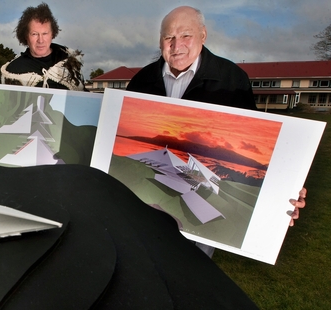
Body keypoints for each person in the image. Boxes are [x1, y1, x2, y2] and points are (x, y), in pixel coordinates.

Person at [127, 6, 306, 256]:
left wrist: (285, 188)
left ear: (203, 35)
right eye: (169, 37)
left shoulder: (232, 80)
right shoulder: (141, 81)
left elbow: (258, 139)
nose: (176, 44)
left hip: (201, 210)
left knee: (194, 273)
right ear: (160, 41)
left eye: (186, 35)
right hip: (147, 207)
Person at [0, 2, 86, 91]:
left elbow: (82, 95)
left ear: (52, 34)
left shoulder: (70, 61)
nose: (40, 40)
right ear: (26, 36)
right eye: (34, 34)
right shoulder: (14, 69)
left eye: (45, 33)